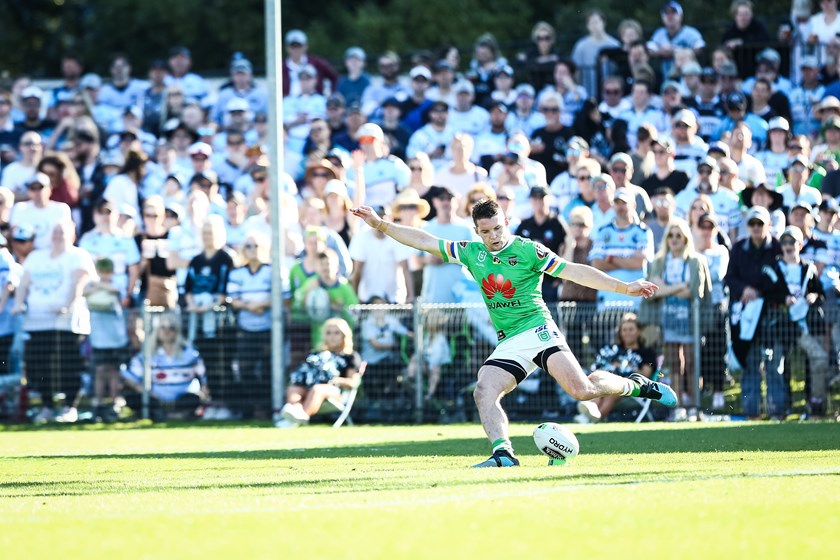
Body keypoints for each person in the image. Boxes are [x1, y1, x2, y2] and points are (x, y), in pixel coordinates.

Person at [350, 199, 676, 468]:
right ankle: (503, 453)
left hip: (539, 330)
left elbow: (574, 271)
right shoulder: (471, 252)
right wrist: (380, 224)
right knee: (484, 389)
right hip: (509, 341)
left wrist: (624, 287)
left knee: (584, 390)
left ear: (506, 221)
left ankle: (635, 384)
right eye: (486, 232)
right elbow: (424, 241)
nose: (494, 237)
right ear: (477, 232)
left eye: (498, 228)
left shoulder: (528, 251)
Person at [13, 220, 95, 423]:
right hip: (38, 320)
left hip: (68, 321)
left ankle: (69, 407)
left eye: (62, 232)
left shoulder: (78, 255)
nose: (58, 235)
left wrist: (67, 305)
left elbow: (79, 281)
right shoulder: (36, 257)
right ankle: (47, 405)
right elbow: (24, 283)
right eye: (55, 232)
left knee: (69, 364)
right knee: (38, 365)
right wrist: (18, 303)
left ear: (73, 235)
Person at [641, 218, 711, 418]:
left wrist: (667, 290)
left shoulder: (695, 260)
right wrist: (680, 287)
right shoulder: (660, 261)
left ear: (685, 238)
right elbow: (655, 291)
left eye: (678, 235)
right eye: (670, 235)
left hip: (691, 319)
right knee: (674, 363)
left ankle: (694, 404)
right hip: (667, 318)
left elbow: (694, 291)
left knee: (691, 362)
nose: (674, 239)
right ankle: (678, 404)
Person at [725, 206, 784, 418]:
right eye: (752, 224)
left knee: (774, 363)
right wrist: (745, 290)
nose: (756, 227)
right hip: (746, 317)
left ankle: (777, 411)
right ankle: (752, 412)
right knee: (749, 362)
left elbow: (782, 279)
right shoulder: (739, 248)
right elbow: (729, 278)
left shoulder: (777, 248)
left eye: (760, 223)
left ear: (768, 224)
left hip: (771, 314)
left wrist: (760, 292)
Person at [278, 318, 361, 427]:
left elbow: (353, 383)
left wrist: (335, 380)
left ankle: (299, 417)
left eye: (336, 333)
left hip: (334, 390)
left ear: (344, 335)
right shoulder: (317, 354)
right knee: (294, 388)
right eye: (329, 333)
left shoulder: (350, 356)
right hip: (310, 387)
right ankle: (296, 410)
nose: (332, 337)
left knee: (318, 389)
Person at [576, 312, 658, 423]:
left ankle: (593, 418)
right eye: (624, 330)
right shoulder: (613, 350)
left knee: (612, 391)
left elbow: (645, 375)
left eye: (631, 329)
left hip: (634, 387)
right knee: (599, 386)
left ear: (639, 331)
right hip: (608, 383)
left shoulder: (647, 353)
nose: (627, 333)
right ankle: (590, 415)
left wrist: (626, 367)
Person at [123, 313, 207, 421]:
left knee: (193, 399)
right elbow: (131, 377)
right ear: (157, 331)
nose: (166, 331)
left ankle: (169, 415)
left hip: (182, 398)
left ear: (177, 331)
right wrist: (145, 392)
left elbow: (204, 377)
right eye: (162, 327)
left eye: (171, 328)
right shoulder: (148, 354)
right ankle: (166, 414)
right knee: (133, 399)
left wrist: (203, 391)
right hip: (155, 398)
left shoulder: (190, 354)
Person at [227, 231, 273, 420]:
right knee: (245, 368)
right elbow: (233, 299)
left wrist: (263, 304)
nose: (253, 250)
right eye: (248, 246)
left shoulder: (272, 270)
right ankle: (253, 406)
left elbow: (282, 296)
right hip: (246, 328)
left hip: (269, 328)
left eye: (256, 245)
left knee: (267, 368)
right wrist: (251, 306)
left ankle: (269, 407)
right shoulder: (237, 273)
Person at [83, 257, 130, 422]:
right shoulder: (91, 283)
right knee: (100, 370)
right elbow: (84, 292)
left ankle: (114, 402)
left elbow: (118, 292)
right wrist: (99, 285)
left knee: (114, 370)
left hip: (115, 337)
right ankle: (98, 402)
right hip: (99, 337)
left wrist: (100, 286)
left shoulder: (116, 283)